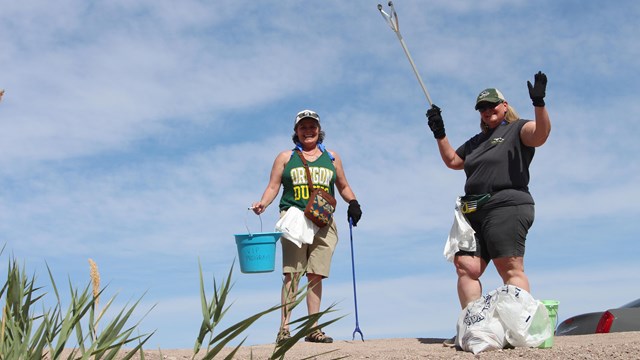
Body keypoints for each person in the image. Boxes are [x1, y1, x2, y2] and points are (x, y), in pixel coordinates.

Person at [426, 72, 551, 345]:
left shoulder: (517, 128)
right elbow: (453, 161)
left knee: (509, 268)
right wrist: (440, 133)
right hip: (473, 212)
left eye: (492, 105)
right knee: (466, 267)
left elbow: (540, 135)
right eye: (481, 108)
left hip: (507, 204)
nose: (487, 111)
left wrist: (539, 103)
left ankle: (520, 330)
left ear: (504, 105)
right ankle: (476, 329)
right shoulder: (477, 141)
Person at [252, 109, 362, 345]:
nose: (308, 130)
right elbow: (273, 186)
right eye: (303, 127)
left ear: (319, 130)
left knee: (316, 275)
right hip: (294, 219)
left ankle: (313, 328)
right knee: (292, 273)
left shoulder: (331, 157)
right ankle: (284, 329)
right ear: (296, 132)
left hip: (323, 220)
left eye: (312, 126)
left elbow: (342, 185)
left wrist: (353, 202)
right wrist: (262, 202)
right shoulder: (285, 157)